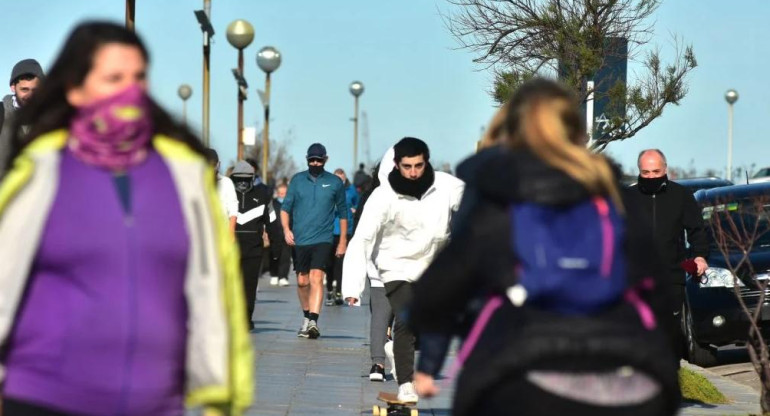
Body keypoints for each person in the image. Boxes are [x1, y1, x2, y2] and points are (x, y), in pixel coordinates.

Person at [0, 22, 252, 416]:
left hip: (151, 395)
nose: (128, 89)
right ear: (76, 88)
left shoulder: (182, 174)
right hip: (47, 392)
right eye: (113, 77)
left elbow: (211, 285)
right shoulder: (41, 171)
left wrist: (221, 391)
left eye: (138, 77)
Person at [409, 78, 680, 416]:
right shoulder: (614, 199)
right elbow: (660, 293)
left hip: (521, 377)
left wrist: (433, 353)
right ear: (576, 132)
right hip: (631, 381)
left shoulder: (500, 201)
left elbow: (437, 292)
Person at [342, 137, 464, 403]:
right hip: (395, 265)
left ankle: (395, 351)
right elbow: (361, 238)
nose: (413, 173)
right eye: (407, 167)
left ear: (426, 162)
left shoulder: (445, 185)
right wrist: (352, 286)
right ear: (397, 166)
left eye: (419, 166)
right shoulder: (383, 195)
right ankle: (406, 384)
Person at [627, 149, 709, 361]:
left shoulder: (680, 195)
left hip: (671, 275)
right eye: (646, 173)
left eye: (656, 171)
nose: (651, 177)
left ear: (666, 170)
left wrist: (700, 256)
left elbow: (696, 230)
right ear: (639, 171)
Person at [280, 143, 348, 339]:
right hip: (300, 239)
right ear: (307, 159)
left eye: (319, 160)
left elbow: (343, 214)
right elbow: (285, 208)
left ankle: (313, 321)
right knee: (302, 281)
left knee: (316, 278)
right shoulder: (297, 180)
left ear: (325, 159)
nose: (315, 163)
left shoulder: (335, 182)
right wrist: (286, 230)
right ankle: (306, 316)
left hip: (323, 239)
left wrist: (342, 241)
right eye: (312, 160)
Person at [231, 160, 274, 331]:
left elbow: (272, 223)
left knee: (249, 286)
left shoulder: (263, 197)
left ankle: (246, 318)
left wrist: (275, 250)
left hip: (253, 250)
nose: (242, 183)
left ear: (252, 178)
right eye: (238, 179)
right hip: (229, 249)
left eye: (246, 179)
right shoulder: (225, 196)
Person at [0, 58, 45, 176]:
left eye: (34, 90)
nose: (30, 95)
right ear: (13, 87)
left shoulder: (50, 116)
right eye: (24, 90)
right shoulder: (1, 113)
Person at [325, 168, 358, 306]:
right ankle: (329, 291)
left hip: (345, 231)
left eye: (341, 179)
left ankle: (339, 291)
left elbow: (357, 204)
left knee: (341, 262)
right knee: (329, 262)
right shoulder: (328, 189)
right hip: (329, 230)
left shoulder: (351, 191)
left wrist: (354, 209)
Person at [204, 147, 238, 234]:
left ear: (218, 164)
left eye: (213, 165)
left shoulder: (226, 183)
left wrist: (231, 231)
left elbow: (233, 208)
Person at [268, 183, 291, 287]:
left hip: (287, 233)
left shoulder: (291, 204)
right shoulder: (272, 204)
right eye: (280, 193)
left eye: (284, 193)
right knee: (274, 255)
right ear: (277, 193)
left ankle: (283, 277)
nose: (282, 195)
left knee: (286, 257)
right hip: (274, 233)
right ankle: (274, 275)